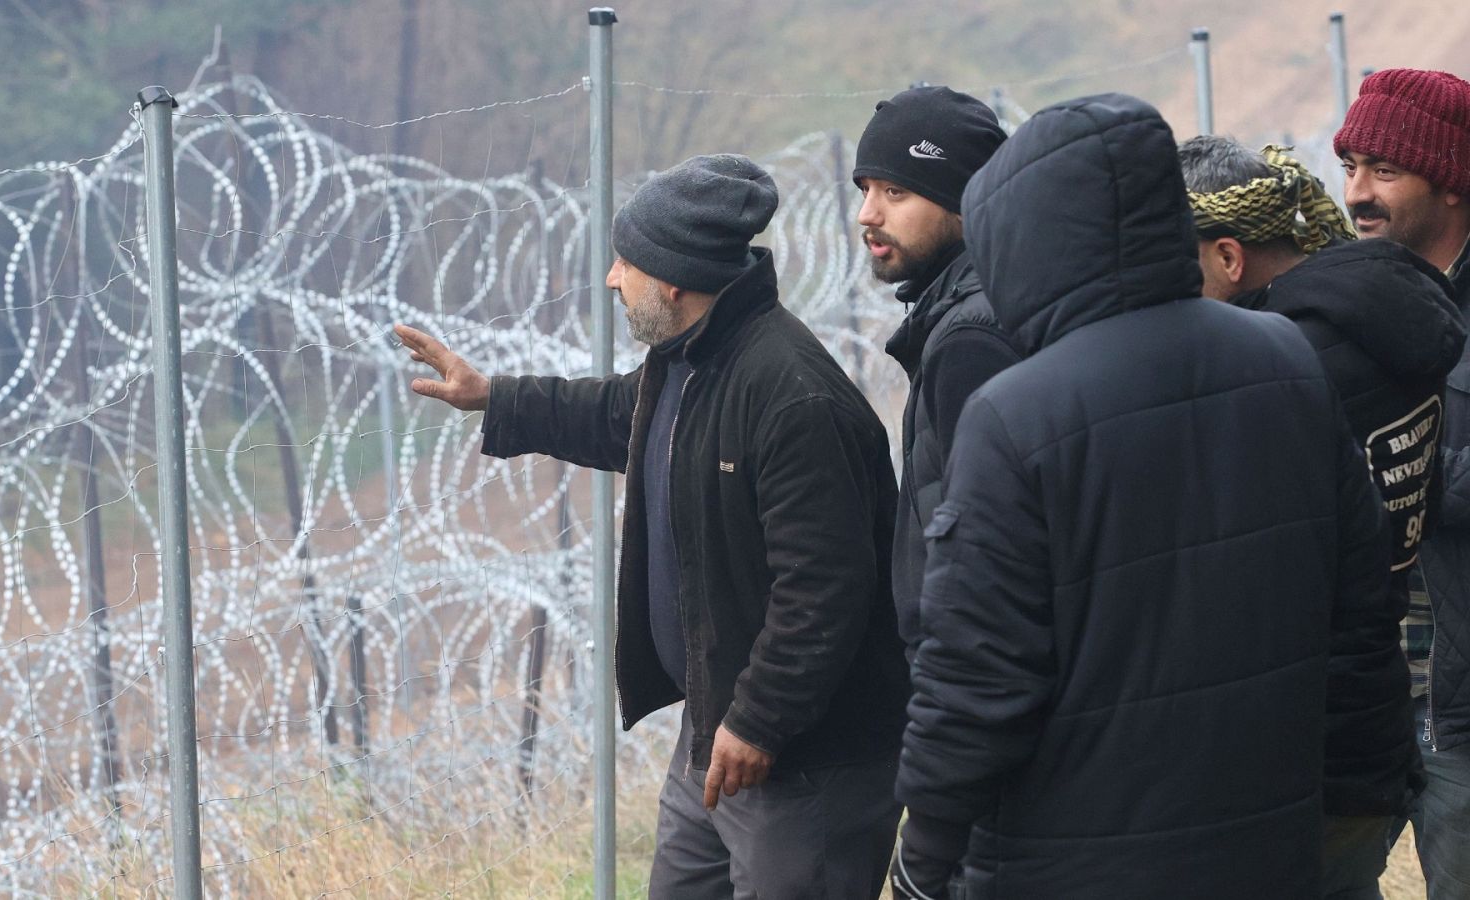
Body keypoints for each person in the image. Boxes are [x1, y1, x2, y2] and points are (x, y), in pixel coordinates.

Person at [889, 93, 1395, 900]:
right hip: (1265, 836)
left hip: (1069, 856)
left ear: (1027, 238)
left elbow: (978, 679)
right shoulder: (1286, 360)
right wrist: (1360, 786)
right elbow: (1360, 600)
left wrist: (924, 856)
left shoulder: (1018, 413)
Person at [395, 154, 909, 899]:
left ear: (673, 279)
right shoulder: (690, 362)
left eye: (625, 264)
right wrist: (493, 397)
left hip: (804, 764)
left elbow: (825, 591)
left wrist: (759, 722)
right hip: (719, 737)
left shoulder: (789, 398)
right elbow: (619, 416)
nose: (611, 280)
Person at [1183, 133, 1464, 900]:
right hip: (1372, 710)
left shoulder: (1279, 367)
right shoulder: (1378, 323)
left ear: (1231, 258)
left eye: (1179, 266)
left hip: (1306, 730)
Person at [1336, 66, 1470, 900]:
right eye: (1349, 166)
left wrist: (1396, 473)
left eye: (1384, 170)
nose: (1357, 193)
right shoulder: (1356, 304)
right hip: (1379, 695)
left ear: (1451, 183)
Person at [851, 86, 1019, 652]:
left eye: (895, 191)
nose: (867, 214)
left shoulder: (972, 339)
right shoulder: (967, 310)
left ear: (963, 201)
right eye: (866, 188)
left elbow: (989, 555)